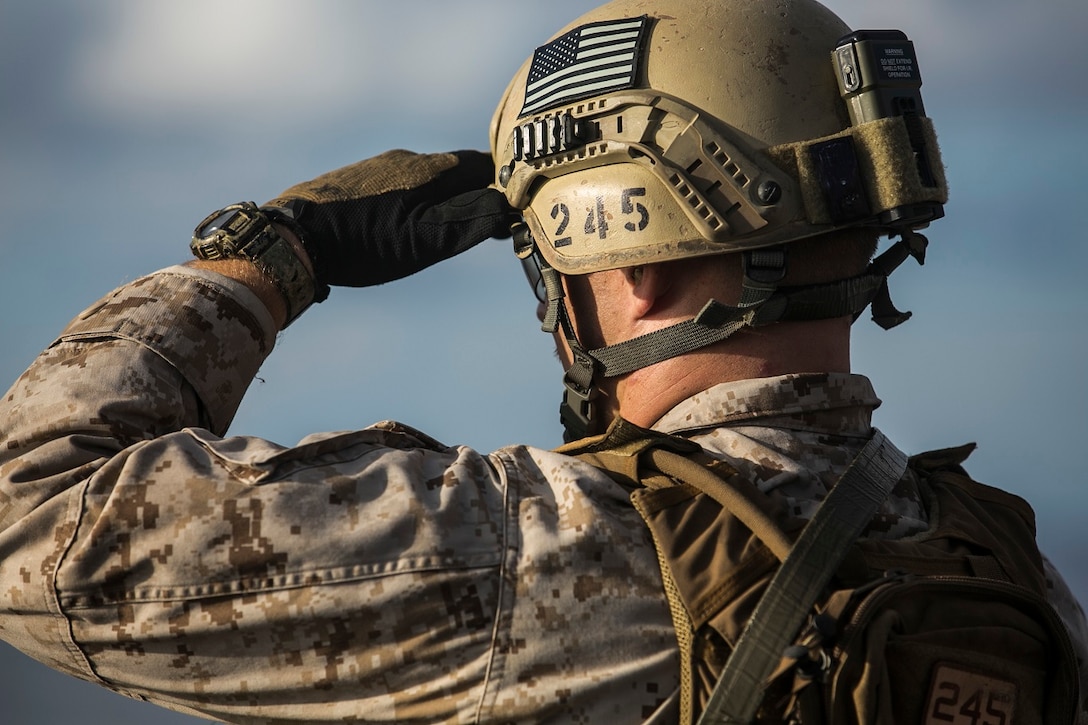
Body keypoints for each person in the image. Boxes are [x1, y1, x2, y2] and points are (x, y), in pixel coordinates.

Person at [1, 0, 1085, 723]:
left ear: (632, 270)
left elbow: (27, 521)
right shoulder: (1011, 568)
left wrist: (269, 258)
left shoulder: (538, 548)